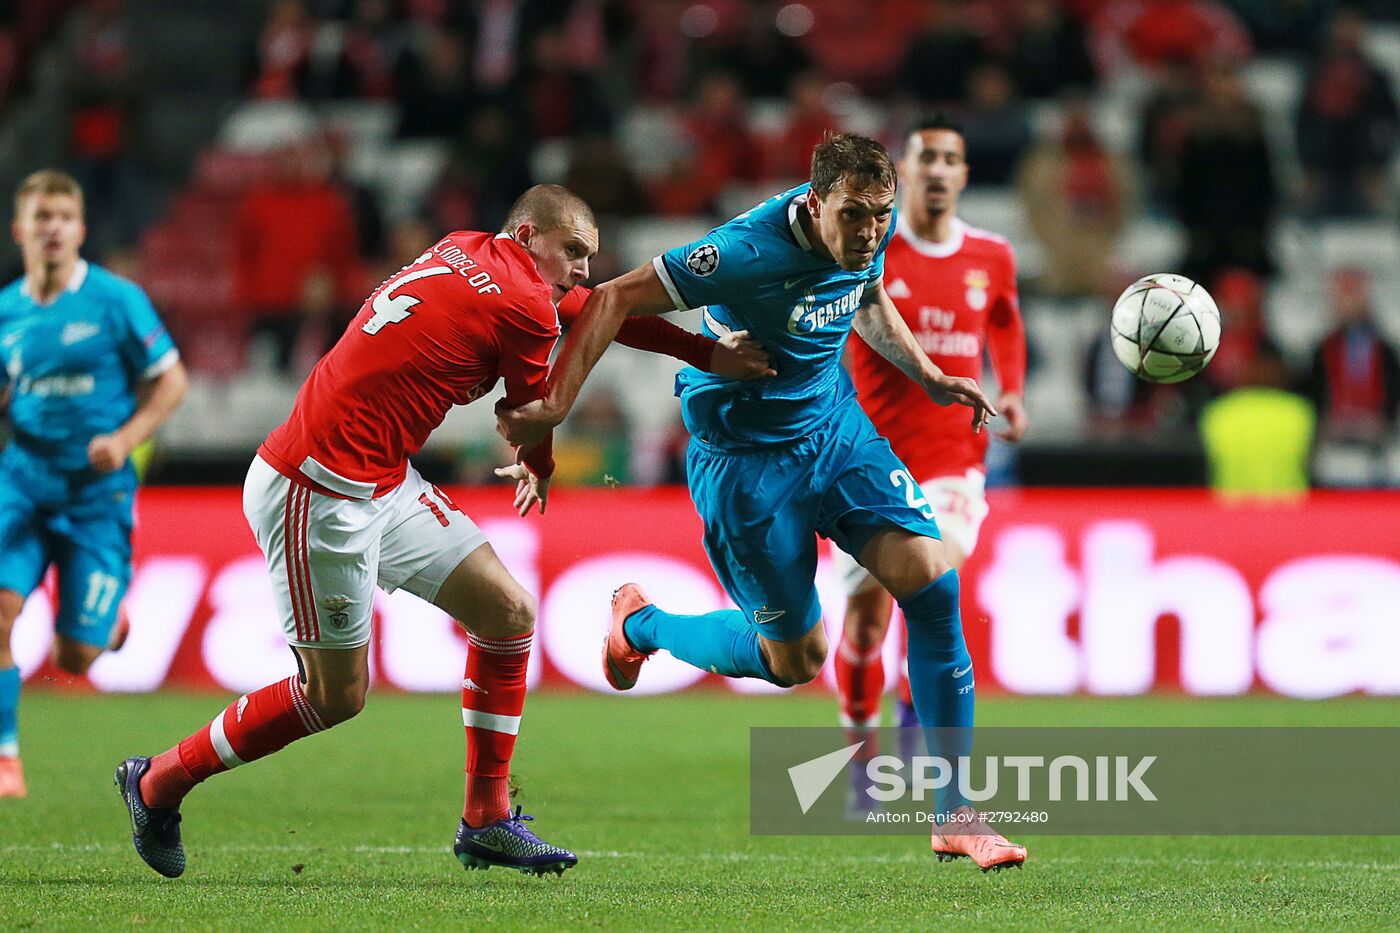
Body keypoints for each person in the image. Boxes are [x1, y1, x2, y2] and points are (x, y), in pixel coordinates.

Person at [114, 185, 772, 879]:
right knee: (333, 696)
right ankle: (158, 781)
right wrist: (538, 466)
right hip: (317, 489)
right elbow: (531, 414)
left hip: (382, 477)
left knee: (510, 613)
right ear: (526, 234)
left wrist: (703, 353)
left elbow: (591, 311)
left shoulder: (465, 246)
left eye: (590, 255)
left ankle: (486, 819)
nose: (582, 268)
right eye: (572, 250)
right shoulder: (522, 302)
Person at [498, 136, 1028, 871]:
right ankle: (642, 625)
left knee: (934, 582)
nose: (871, 231)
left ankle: (955, 810)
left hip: (836, 432)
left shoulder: (863, 237)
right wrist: (553, 405)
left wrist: (930, 373)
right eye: (855, 215)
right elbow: (613, 297)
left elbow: (866, 294)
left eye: (882, 214)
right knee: (795, 659)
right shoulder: (743, 252)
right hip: (747, 468)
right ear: (815, 203)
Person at [831, 116, 1028, 755]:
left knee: (932, 580)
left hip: (954, 461)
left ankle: (917, 739)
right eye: (928, 158)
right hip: (868, 461)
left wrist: (1014, 391)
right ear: (905, 172)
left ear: (965, 175)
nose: (939, 169)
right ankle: (862, 756)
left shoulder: (992, 255)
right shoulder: (870, 250)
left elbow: (1005, 322)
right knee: (864, 624)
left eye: (952, 158)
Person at [0, 169, 187, 798]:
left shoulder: (116, 300)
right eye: (41, 216)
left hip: (94, 496)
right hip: (21, 484)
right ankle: (5, 758)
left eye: (63, 216)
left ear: (79, 229)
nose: (52, 227)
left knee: (73, 658)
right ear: (19, 229)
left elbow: (171, 381)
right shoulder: (6, 312)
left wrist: (126, 440)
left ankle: (106, 625)